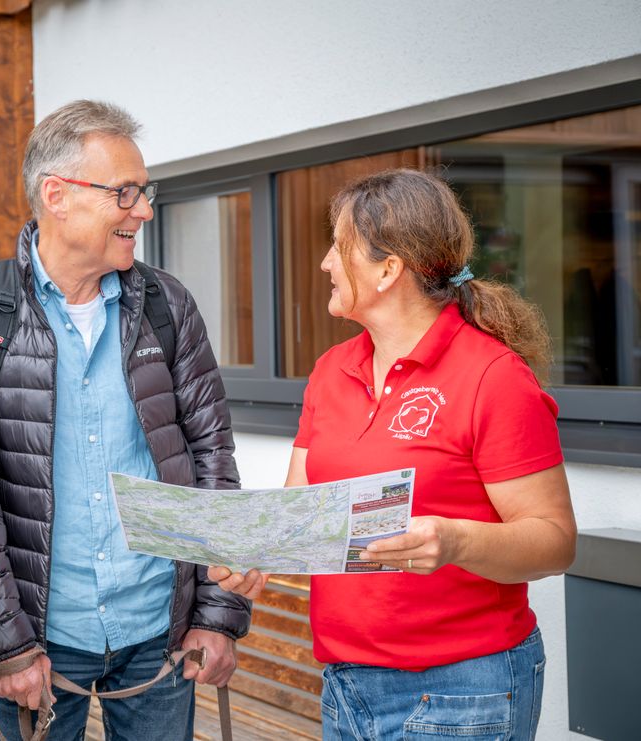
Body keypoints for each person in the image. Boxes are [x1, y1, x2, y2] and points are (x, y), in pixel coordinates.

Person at [210, 169, 577, 739]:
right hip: (346, 682)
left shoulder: (493, 377)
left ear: (388, 269)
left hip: (463, 688)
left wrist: (454, 541)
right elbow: (302, 514)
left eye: (339, 246)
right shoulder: (332, 372)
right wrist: (256, 554)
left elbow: (554, 542)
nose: (326, 263)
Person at [0, 100, 251, 740]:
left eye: (145, 191)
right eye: (126, 192)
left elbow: (214, 458)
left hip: (159, 635)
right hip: (41, 641)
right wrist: (7, 646)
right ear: (58, 195)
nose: (144, 210)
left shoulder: (167, 304)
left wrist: (217, 617)